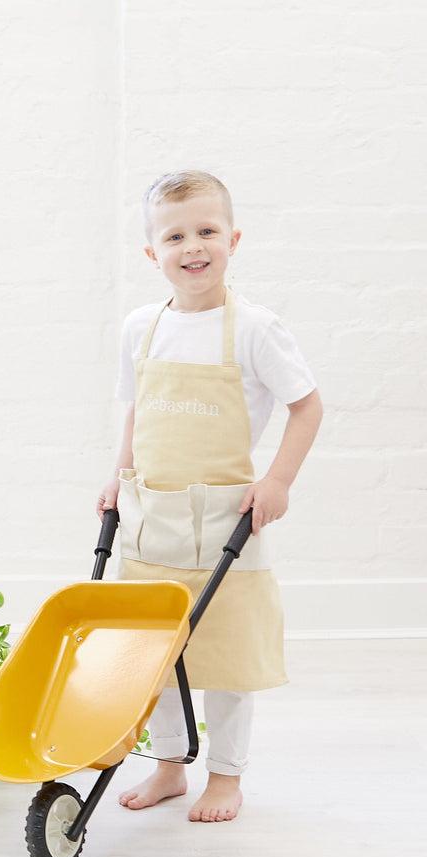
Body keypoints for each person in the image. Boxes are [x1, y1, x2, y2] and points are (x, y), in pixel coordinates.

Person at [99, 170, 322, 822]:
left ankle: (226, 775)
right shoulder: (142, 328)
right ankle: (170, 765)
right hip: (150, 521)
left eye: (207, 231)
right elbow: (138, 412)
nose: (192, 246)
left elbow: (306, 408)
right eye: (175, 235)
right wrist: (119, 474)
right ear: (152, 252)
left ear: (233, 239)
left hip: (228, 521)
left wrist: (276, 479)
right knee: (155, 653)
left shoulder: (255, 328)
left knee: (225, 656)